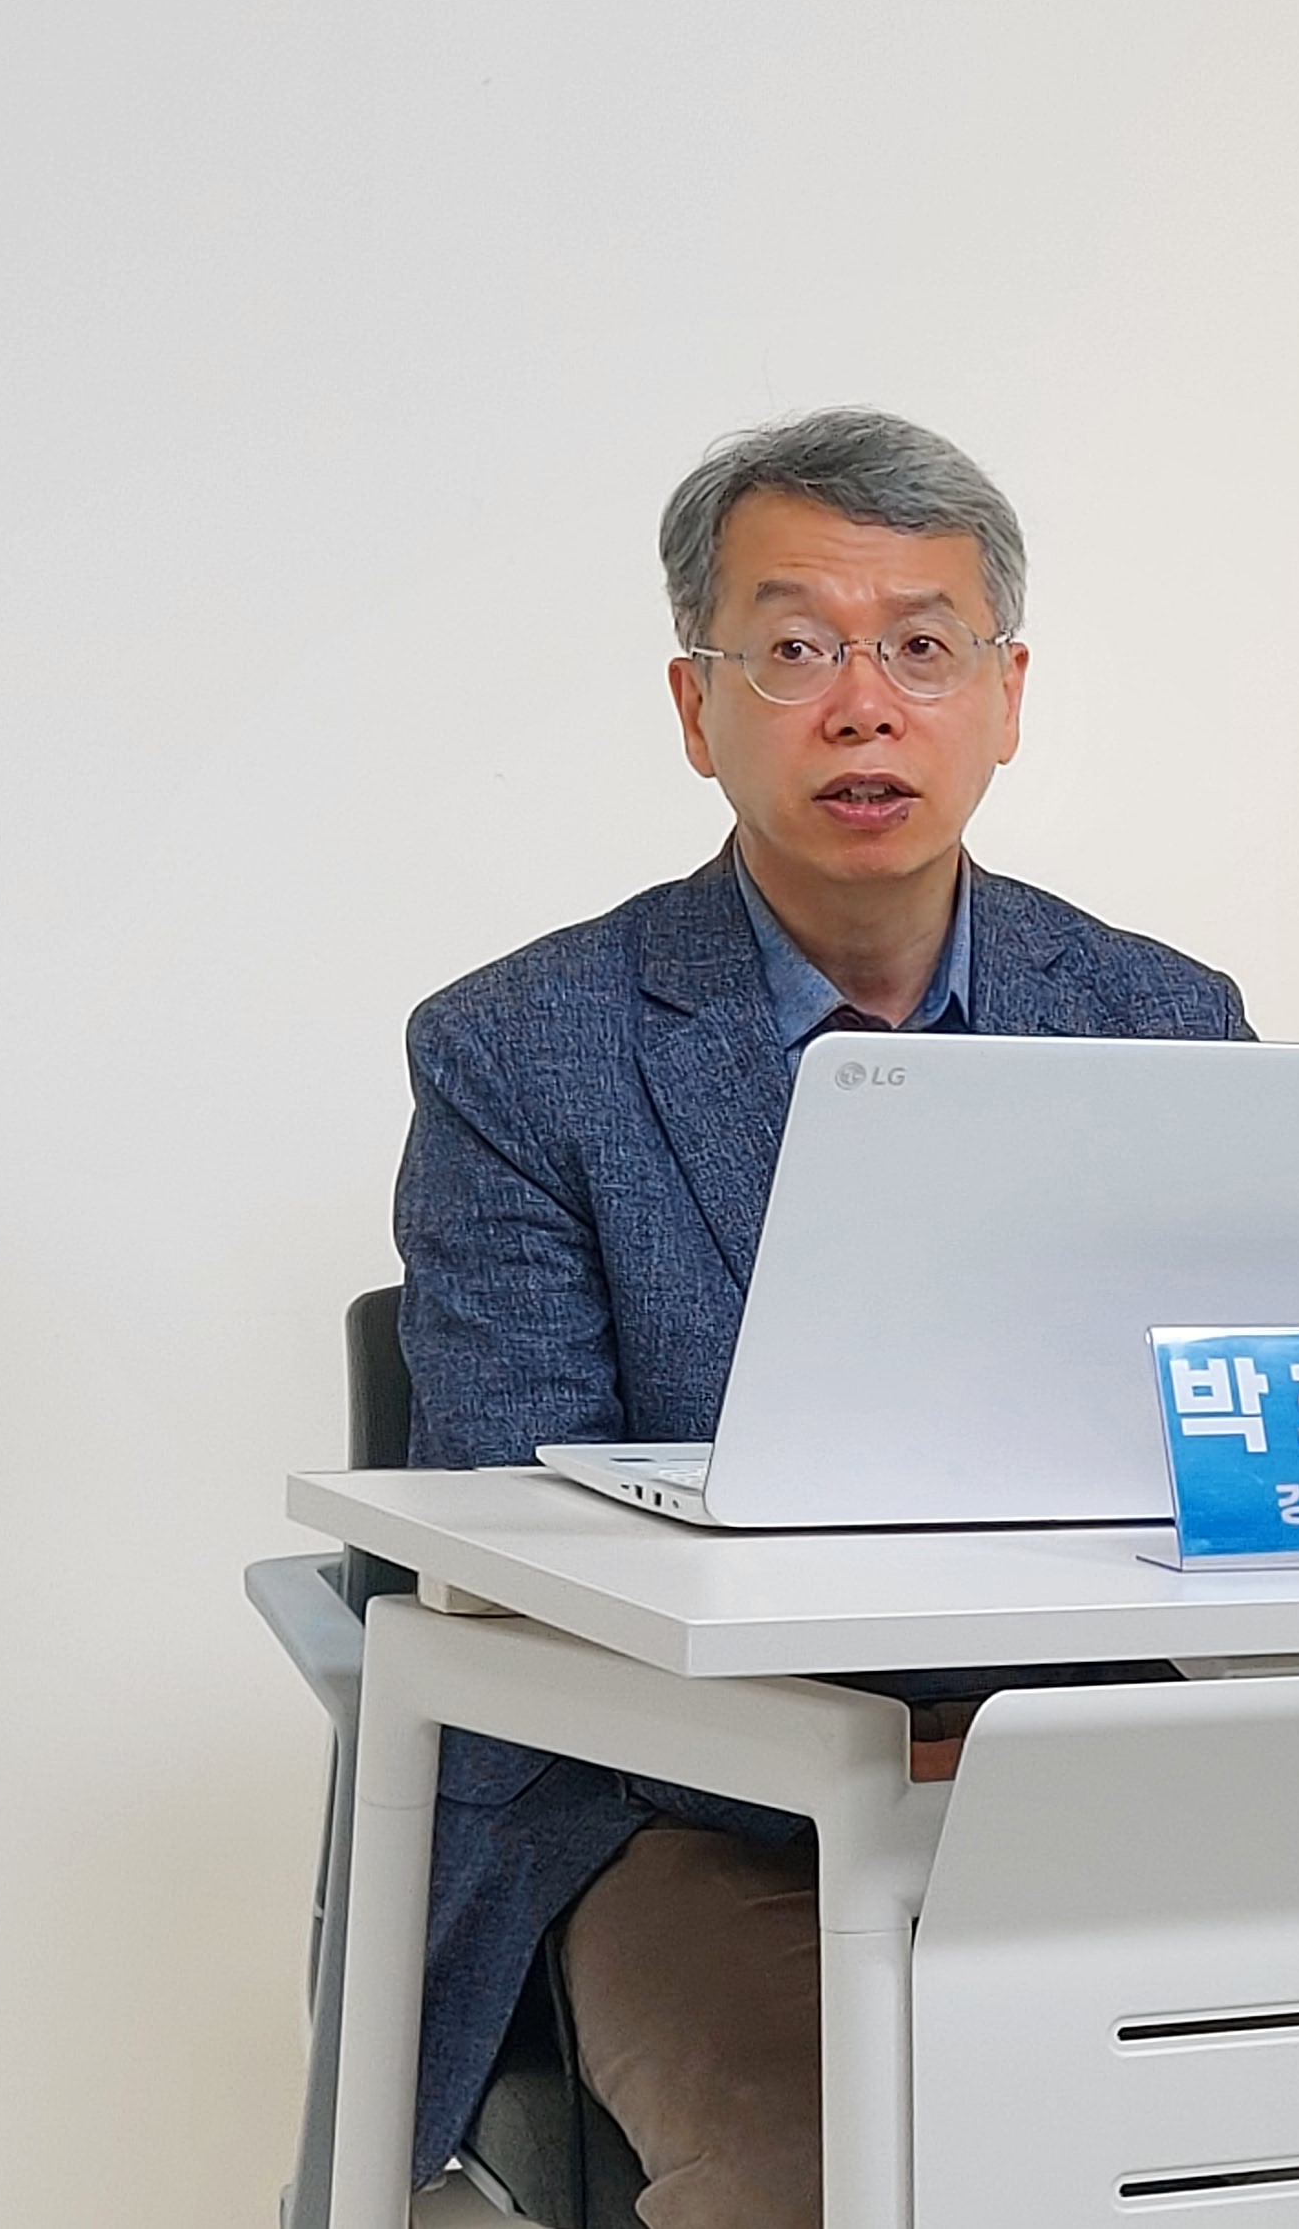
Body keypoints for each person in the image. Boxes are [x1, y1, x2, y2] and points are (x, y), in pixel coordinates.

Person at [390, 409, 1251, 2227]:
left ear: (1007, 696)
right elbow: (522, 1548)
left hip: (1085, 1790)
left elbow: (1242, 1458)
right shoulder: (521, 1051)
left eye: (924, 647)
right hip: (677, 1812)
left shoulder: (1163, 1022)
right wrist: (867, 1744)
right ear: (698, 709)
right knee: (840, 2159)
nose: (866, 706)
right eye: (795, 649)